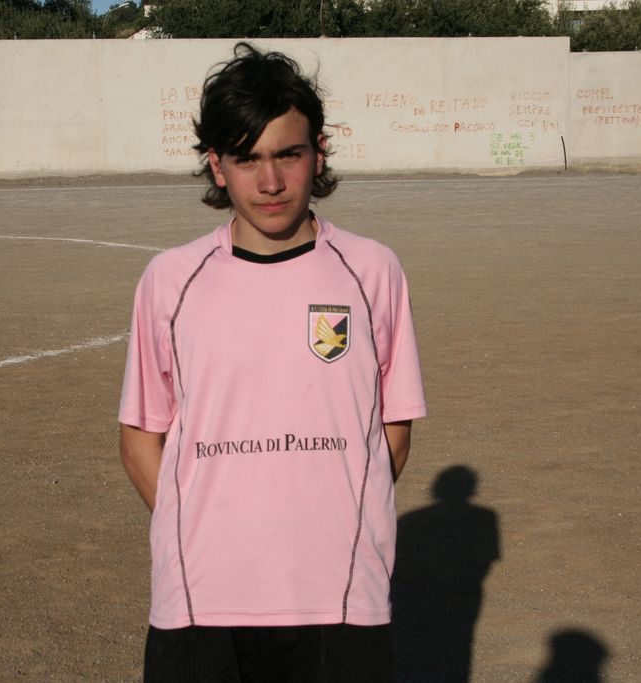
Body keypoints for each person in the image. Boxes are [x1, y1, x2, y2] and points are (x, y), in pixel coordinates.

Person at [118, 42, 427, 683]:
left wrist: (337, 518)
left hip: (340, 593)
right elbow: (141, 436)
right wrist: (198, 528)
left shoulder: (373, 271)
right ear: (216, 165)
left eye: (288, 154)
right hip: (201, 596)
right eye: (246, 158)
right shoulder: (170, 280)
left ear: (319, 153)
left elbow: (392, 428)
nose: (270, 182)